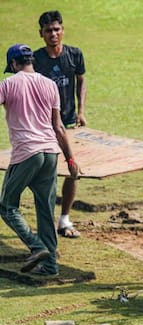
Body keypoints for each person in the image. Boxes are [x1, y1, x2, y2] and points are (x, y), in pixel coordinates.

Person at [0, 43, 80, 275]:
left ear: (14, 64)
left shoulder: (8, 83)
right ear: (31, 61)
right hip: (50, 153)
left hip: (27, 153)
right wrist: (71, 160)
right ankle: (50, 267)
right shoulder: (50, 85)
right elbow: (58, 127)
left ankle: (36, 247)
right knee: (45, 210)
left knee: (7, 205)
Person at [33, 10, 86, 239]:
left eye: (56, 29)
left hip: (69, 122)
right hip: (44, 126)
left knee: (73, 170)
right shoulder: (36, 59)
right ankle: (45, 223)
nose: (53, 34)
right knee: (48, 173)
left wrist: (81, 110)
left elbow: (81, 80)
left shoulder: (74, 54)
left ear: (62, 30)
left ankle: (64, 219)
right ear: (41, 34)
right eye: (48, 31)